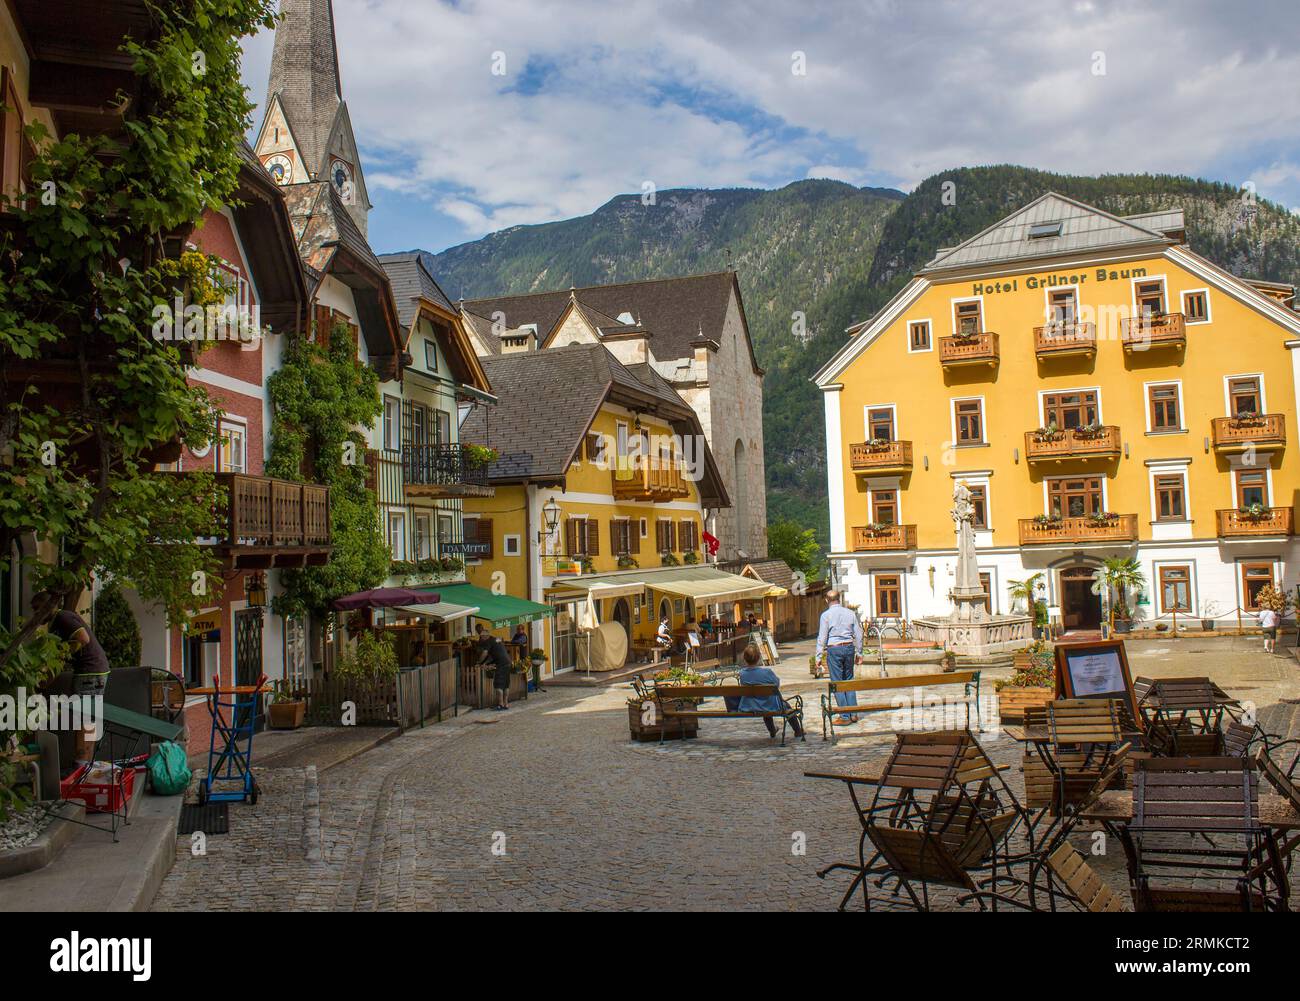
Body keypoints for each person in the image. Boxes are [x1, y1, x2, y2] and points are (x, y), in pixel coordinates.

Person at [735, 643, 804, 740]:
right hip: (768, 705)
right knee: (784, 705)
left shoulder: (742, 674)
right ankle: (798, 730)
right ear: (759, 657)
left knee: (764, 704)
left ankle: (772, 730)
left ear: (745, 658)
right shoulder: (767, 672)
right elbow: (777, 684)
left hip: (750, 705)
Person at [817, 589, 863, 727]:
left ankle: (844, 716)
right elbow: (859, 634)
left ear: (827, 600)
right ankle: (853, 713)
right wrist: (859, 653)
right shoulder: (850, 613)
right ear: (840, 598)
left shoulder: (825, 615)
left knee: (837, 682)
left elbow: (822, 637)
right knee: (849, 679)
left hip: (834, 648)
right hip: (849, 647)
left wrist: (818, 656)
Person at [479, 632, 514, 710]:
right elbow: (496, 653)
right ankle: (506, 704)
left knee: (498, 685)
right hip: (508, 662)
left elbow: (485, 653)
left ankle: (500, 705)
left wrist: (479, 662)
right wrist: (487, 663)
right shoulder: (496, 639)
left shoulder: (488, 642)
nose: (481, 639)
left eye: (481, 637)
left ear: (485, 636)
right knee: (506, 685)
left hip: (501, 664)